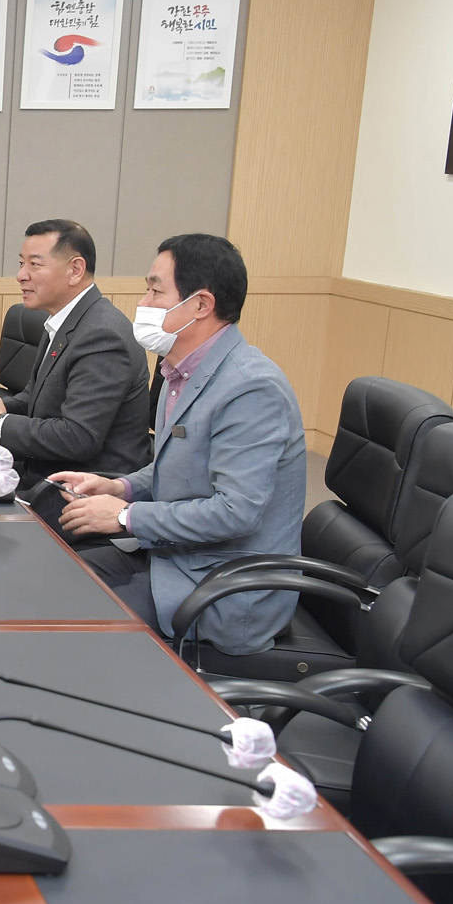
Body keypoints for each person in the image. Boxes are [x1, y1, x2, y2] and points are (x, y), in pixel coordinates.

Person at [51, 233, 307, 655]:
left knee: (70, 622)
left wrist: (126, 516)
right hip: (177, 556)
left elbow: (236, 511)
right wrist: (120, 487)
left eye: (156, 291)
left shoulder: (251, 388)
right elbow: (180, 465)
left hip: (223, 588)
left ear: (201, 305)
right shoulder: (180, 371)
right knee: (53, 576)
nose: (144, 302)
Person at [0, 219, 150, 539]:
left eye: (35, 265)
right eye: (21, 264)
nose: (21, 275)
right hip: (44, 476)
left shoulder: (102, 335)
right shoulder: (63, 321)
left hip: (81, 495)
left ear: (75, 270)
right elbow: (35, 398)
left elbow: (78, 437)